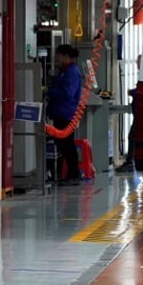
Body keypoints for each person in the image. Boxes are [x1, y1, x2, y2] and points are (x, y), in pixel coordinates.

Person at [47, 44, 83, 186]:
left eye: (60, 56)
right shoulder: (64, 71)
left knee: (67, 144)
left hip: (66, 113)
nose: (58, 59)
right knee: (63, 144)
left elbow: (67, 93)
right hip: (61, 112)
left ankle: (73, 174)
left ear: (67, 56)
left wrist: (50, 92)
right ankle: (71, 173)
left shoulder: (71, 72)